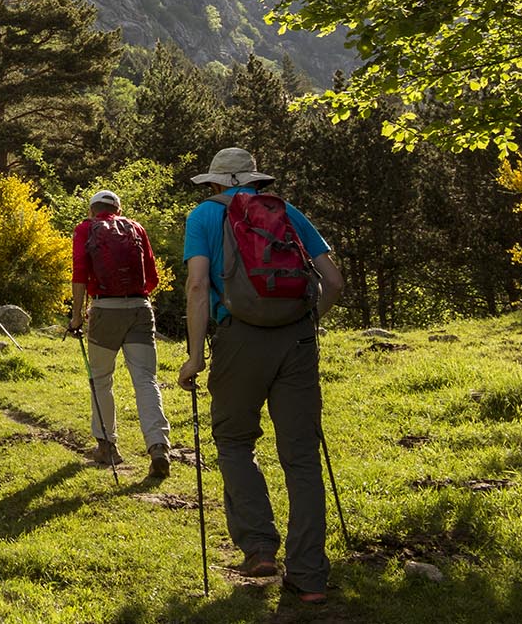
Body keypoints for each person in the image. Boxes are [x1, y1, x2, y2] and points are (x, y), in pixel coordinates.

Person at [176, 147, 345, 605]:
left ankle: (259, 549)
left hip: (237, 340)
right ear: (253, 181)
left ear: (216, 184)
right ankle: (309, 575)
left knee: (234, 441)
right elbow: (332, 280)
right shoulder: (287, 212)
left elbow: (196, 286)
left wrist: (195, 357)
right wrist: (308, 324)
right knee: (303, 457)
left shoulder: (203, 217)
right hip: (296, 341)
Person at [68, 189, 172, 477]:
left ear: (92, 210)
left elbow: (79, 274)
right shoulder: (136, 228)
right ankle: (159, 445)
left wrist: (77, 315)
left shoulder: (85, 229)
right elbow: (152, 278)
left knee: (101, 379)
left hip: (105, 310)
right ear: (118, 207)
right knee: (146, 380)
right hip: (140, 307)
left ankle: (106, 445)